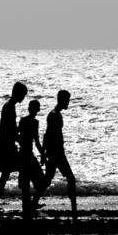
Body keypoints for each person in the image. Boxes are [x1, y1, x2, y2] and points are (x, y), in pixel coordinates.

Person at [40, 89, 77, 220]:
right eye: (67, 100)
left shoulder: (55, 114)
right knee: (71, 179)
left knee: (47, 181)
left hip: (54, 153)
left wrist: (44, 153)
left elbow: (46, 135)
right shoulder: (54, 115)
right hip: (56, 154)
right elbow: (48, 135)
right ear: (61, 100)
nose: (68, 103)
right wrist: (45, 154)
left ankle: (32, 205)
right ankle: (74, 212)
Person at [0, 81, 27, 214]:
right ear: (18, 93)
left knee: (6, 174)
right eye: (23, 94)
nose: (24, 97)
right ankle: (26, 202)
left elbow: (7, 128)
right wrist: (19, 138)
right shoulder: (9, 107)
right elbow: (8, 129)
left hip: (5, 143)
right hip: (6, 144)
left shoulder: (9, 106)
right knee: (21, 168)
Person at [18, 99, 45, 219]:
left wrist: (42, 154)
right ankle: (32, 206)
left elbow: (17, 136)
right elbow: (37, 142)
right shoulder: (34, 122)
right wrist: (43, 154)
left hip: (23, 155)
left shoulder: (23, 121)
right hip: (28, 155)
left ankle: (28, 209)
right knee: (40, 182)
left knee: (25, 186)